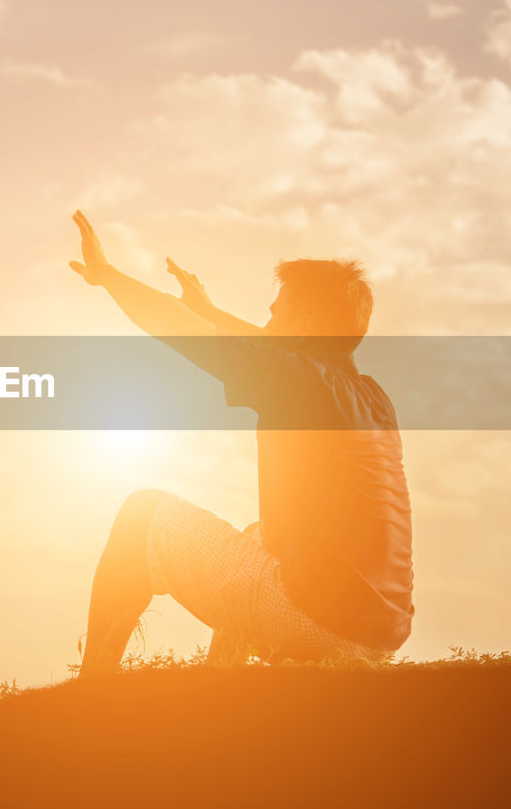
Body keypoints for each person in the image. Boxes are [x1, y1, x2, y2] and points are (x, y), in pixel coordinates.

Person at [69, 210, 413, 675]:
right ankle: (224, 684)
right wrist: (210, 312)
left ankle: (91, 689)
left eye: (276, 313)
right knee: (260, 535)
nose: (266, 323)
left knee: (141, 515)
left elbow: (179, 329)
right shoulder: (371, 397)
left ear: (305, 325)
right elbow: (272, 347)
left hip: (318, 624)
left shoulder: (299, 382)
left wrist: (108, 276)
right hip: (376, 636)